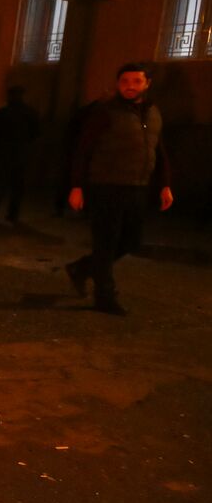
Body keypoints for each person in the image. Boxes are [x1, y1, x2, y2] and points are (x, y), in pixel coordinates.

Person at [64, 63, 174, 316]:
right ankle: (105, 296)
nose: (130, 86)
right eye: (125, 81)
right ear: (118, 84)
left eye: (136, 81)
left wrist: (165, 184)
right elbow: (83, 150)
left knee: (131, 241)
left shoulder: (153, 112)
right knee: (106, 241)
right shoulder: (105, 112)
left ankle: (82, 268)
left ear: (147, 84)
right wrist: (77, 186)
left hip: (138, 187)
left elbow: (158, 149)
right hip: (106, 186)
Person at [0, 85, 41, 223]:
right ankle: (13, 215)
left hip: (2, 153)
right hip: (21, 154)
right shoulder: (30, 113)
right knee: (17, 186)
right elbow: (37, 133)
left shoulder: (4, 112)